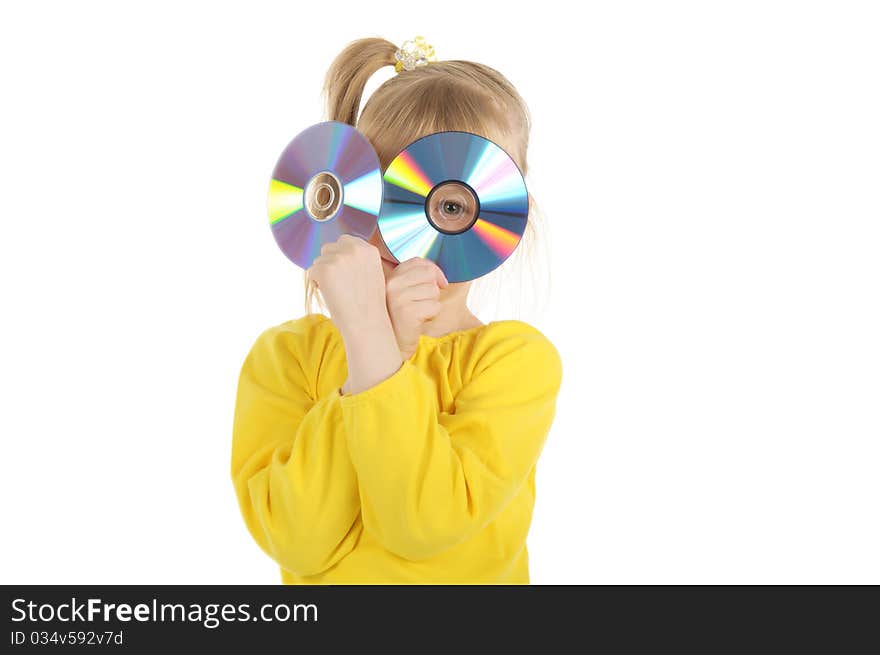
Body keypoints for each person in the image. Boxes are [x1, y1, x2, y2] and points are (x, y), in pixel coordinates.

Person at [230, 36, 563, 584]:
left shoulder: (515, 363)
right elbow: (296, 540)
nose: (398, 232)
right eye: (380, 195)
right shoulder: (286, 357)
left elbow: (423, 526)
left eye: (447, 204)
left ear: (504, 224)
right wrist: (372, 343)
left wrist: (378, 350)